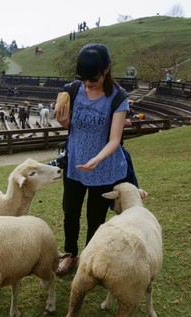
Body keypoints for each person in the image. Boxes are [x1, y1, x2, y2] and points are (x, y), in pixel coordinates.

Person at [54, 43, 131, 276]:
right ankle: (70, 254)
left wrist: (97, 158)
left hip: (104, 167)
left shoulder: (118, 98)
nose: (88, 84)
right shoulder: (74, 90)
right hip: (76, 164)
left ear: (107, 69)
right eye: (84, 79)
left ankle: (89, 259)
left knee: (95, 218)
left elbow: (115, 139)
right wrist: (63, 122)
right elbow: (70, 126)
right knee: (70, 212)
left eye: (93, 79)